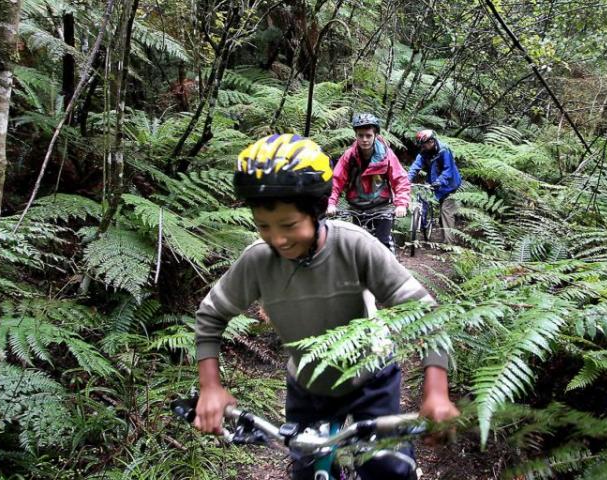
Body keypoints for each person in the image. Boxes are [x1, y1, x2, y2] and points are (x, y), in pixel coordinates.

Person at [193, 134, 459, 480]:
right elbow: (210, 316)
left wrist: (436, 392)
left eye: (289, 225)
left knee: (389, 470)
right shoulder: (257, 261)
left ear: (317, 211)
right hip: (308, 387)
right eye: (263, 226)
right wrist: (210, 387)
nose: (278, 238)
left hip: (371, 379)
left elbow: (426, 314)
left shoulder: (355, 247)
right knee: (306, 472)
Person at [326, 113, 411, 252]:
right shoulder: (349, 156)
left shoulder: (386, 155)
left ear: (375, 135)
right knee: (356, 247)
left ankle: (386, 271)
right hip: (357, 208)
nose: (364, 139)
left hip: (381, 207)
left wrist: (401, 204)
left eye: (368, 135)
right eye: (360, 135)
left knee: (383, 246)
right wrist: (331, 203)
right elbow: (336, 180)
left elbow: (400, 179)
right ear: (356, 135)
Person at [407, 129, 462, 244]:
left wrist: (439, 182)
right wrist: (406, 180)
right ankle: (422, 225)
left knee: (446, 212)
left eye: (424, 144)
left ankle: (449, 244)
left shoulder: (444, 150)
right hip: (434, 182)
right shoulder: (424, 152)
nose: (423, 147)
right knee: (422, 198)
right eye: (421, 145)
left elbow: (448, 170)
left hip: (449, 185)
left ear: (431, 141)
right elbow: (415, 167)